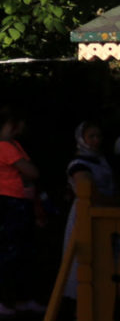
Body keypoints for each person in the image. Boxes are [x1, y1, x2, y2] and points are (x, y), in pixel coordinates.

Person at [0, 108, 43, 316]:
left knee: (23, 251)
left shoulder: (13, 145)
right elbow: (31, 171)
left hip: (22, 199)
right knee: (7, 251)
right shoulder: (3, 147)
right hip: (11, 201)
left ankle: (19, 297)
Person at [60, 122, 114, 310]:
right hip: (87, 212)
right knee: (85, 257)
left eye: (98, 136)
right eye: (91, 136)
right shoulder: (79, 164)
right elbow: (87, 188)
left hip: (106, 214)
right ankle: (81, 307)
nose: (96, 140)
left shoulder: (101, 160)